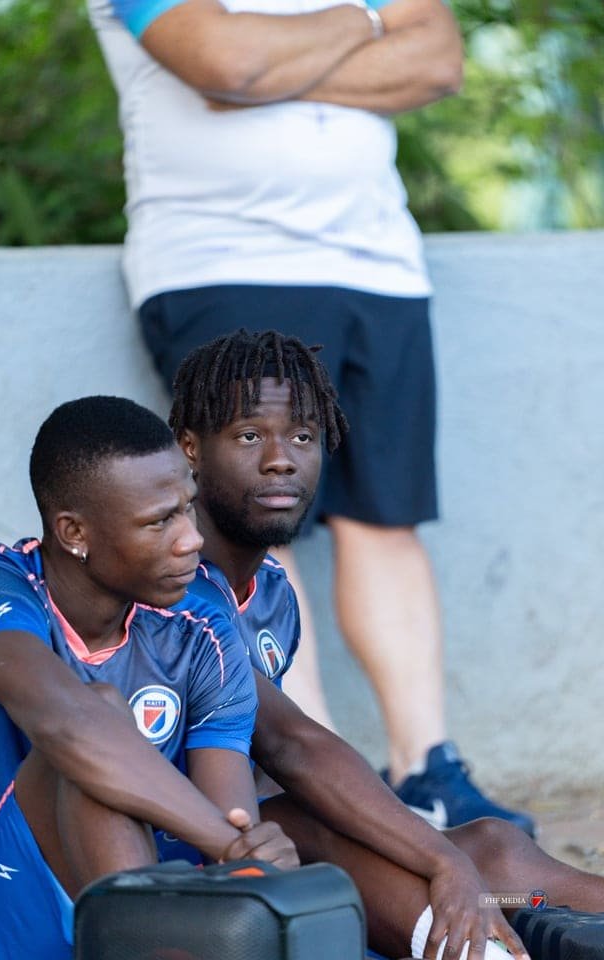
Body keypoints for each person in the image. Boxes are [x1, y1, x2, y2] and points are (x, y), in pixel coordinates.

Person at [87, 0, 535, 831]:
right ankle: (319, 781)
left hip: (380, 270)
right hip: (222, 262)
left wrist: (272, 65)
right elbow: (225, 64)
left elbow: (438, 60)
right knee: (257, 517)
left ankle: (429, 771)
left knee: (385, 519)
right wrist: (368, 19)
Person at [167, 328, 604, 960]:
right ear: (191, 448)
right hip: (194, 859)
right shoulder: (173, 587)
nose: (281, 459)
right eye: (249, 436)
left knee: (495, 849)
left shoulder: (272, 591)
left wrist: (452, 859)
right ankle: (494, 939)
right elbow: (291, 744)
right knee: (367, 843)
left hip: (280, 837)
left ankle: (534, 913)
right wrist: (442, 862)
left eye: (303, 437)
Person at [0, 395, 298, 960]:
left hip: (136, 904)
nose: (191, 538)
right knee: (92, 731)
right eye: (160, 520)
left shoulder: (199, 623)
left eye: (187, 507)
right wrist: (228, 841)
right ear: (74, 532)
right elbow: (67, 723)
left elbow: (232, 818)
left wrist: (248, 849)